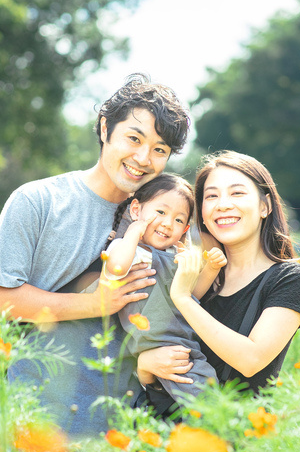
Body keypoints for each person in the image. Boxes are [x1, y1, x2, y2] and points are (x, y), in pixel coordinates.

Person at [0, 74, 190, 436]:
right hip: (38, 419)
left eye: (159, 149)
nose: (143, 158)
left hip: (124, 431)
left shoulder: (169, 222)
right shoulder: (38, 201)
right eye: (134, 138)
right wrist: (95, 304)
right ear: (105, 129)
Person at [136, 151, 300, 394]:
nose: (223, 205)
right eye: (211, 196)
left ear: (265, 206)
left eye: (237, 193)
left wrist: (183, 298)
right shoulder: (194, 270)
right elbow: (155, 338)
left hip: (229, 417)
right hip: (162, 416)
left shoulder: (288, 278)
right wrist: (144, 366)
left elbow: (251, 360)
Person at [64, 174, 225, 417]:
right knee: (200, 393)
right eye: (160, 212)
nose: (168, 223)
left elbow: (191, 295)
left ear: (185, 229)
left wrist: (211, 269)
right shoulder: (128, 249)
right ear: (136, 209)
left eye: (178, 219)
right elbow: (117, 268)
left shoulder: (176, 255)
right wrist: (133, 232)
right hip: (157, 342)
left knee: (200, 384)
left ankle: (204, 428)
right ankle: (219, 426)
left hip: (185, 339)